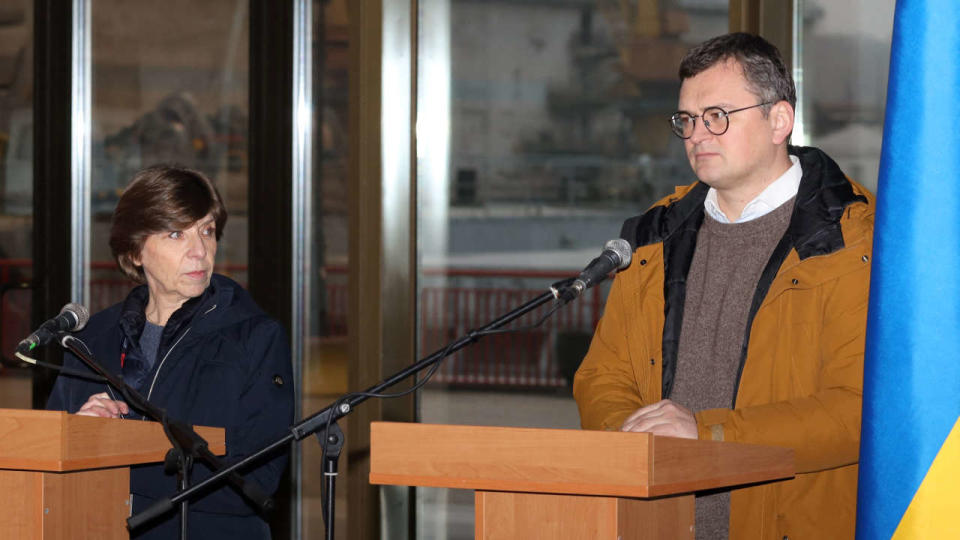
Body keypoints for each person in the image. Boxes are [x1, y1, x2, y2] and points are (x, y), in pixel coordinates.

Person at [573, 33, 873, 539]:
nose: (697, 135)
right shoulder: (653, 238)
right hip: (655, 523)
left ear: (779, 120)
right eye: (686, 120)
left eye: (717, 115)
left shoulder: (855, 242)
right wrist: (631, 439)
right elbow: (602, 376)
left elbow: (859, 410)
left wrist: (707, 434)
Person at [46, 165, 294, 539]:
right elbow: (46, 459)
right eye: (177, 234)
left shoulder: (254, 337)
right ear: (135, 252)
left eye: (207, 231)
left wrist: (114, 449)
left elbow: (257, 481)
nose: (199, 251)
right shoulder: (92, 338)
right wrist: (78, 433)